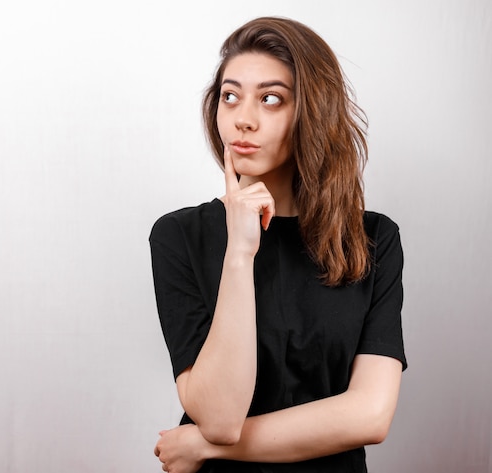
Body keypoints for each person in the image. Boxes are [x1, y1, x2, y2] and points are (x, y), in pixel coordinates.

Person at [148, 16, 407, 473]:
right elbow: (220, 418)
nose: (243, 119)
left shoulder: (373, 239)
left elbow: (370, 415)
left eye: (271, 99)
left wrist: (204, 447)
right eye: (230, 97)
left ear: (312, 111)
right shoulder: (179, 236)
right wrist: (240, 252)